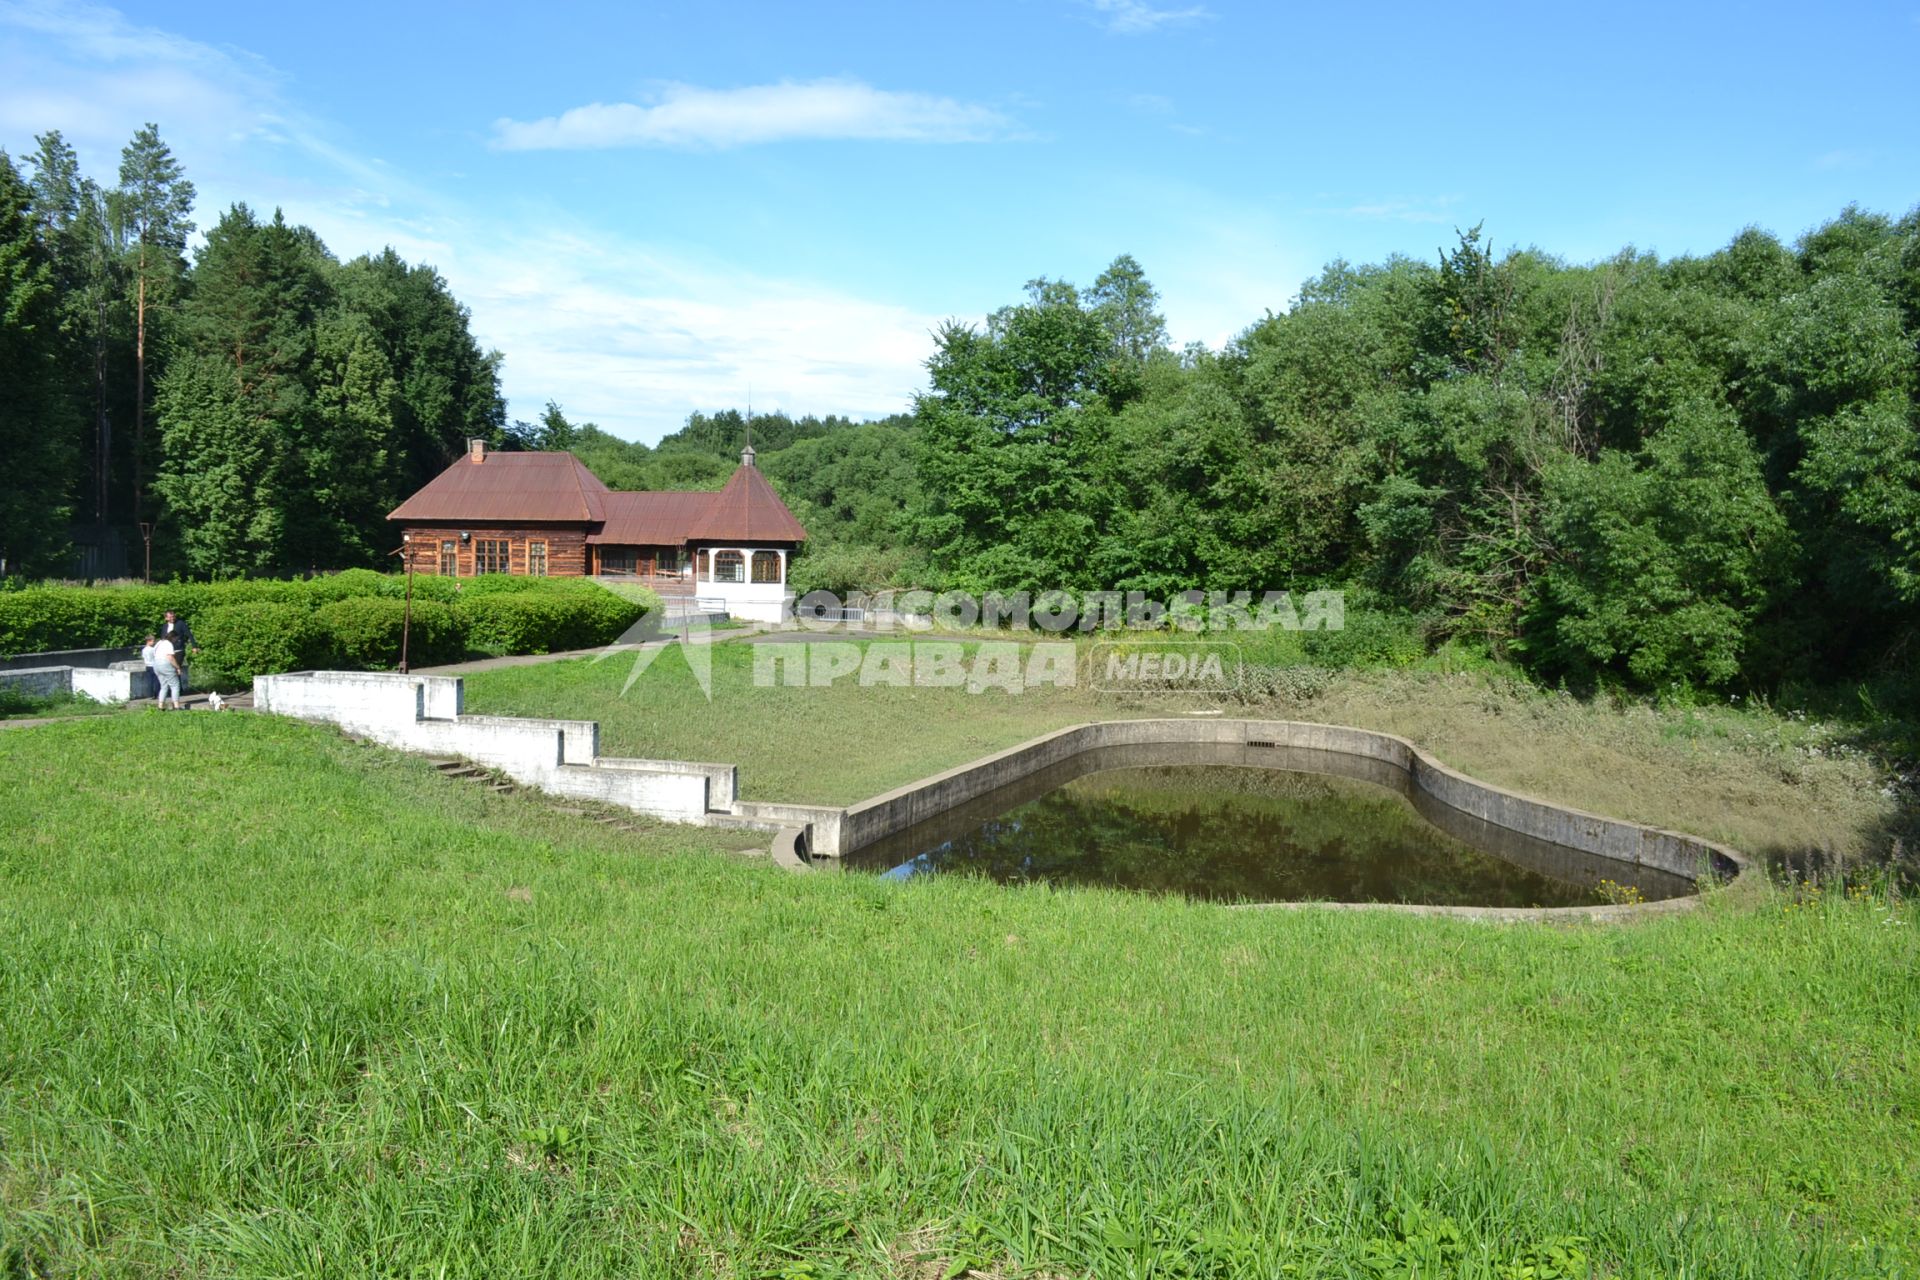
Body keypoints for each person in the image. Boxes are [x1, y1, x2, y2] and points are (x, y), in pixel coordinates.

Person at [158, 609, 196, 692]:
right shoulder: (165, 626)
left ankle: (178, 688)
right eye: (170, 617)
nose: (172, 618)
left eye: (173, 616)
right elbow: (162, 638)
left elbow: (189, 634)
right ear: (166, 618)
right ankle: (172, 688)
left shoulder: (180, 624)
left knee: (176, 667)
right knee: (170, 668)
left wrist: (194, 646)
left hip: (178, 650)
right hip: (167, 651)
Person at [152, 635, 184, 709]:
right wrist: (177, 667)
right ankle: (176, 706)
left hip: (156, 664)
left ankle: (160, 706)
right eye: (176, 639)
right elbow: (170, 657)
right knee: (175, 685)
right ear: (173, 638)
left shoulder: (159, 643)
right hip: (165, 663)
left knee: (164, 686)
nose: (176, 641)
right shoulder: (168, 644)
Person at [140, 633, 159, 701]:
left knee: (150, 681)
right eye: (153, 641)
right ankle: (156, 694)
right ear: (149, 641)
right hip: (153, 665)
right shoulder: (152, 649)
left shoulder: (144, 650)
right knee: (156, 681)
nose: (154, 642)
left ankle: (151, 694)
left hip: (147, 666)